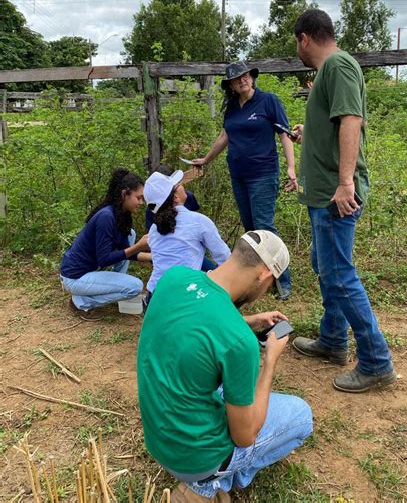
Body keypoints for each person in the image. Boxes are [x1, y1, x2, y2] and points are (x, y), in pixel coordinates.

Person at [137, 230, 313, 502]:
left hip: (159, 442)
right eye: (270, 285)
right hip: (196, 460)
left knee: (215, 385)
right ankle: (211, 483)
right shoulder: (240, 344)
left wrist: (249, 320)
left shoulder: (175, 278)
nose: (265, 292)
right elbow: (245, 436)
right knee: (301, 415)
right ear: (265, 275)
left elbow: (198, 321)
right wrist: (270, 362)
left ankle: (218, 480)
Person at [291, 9, 396, 393]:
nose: (297, 50)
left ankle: (376, 361)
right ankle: (333, 340)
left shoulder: (338, 65)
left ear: (304, 38)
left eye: (295, 43)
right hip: (324, 194)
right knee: (326, 265)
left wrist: (346, 182)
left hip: (337, 196)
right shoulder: (330, 71)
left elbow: (351, 119)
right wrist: (310, 130)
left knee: (339, 274)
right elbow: (335, 122)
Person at [192, 61, 295, 300]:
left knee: (264, 227)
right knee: (251, 229)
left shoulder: (269, 101)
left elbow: (284, 134)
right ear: (231, 85)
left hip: (263, 174)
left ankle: (283, 281)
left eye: (246, 75)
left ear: (252, 76)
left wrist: (291, 167)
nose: (243, 80)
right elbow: (225, 135)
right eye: (237, 79)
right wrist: (206, 159)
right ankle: (258, 280)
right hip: (239, 175)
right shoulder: (232, 108)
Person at [60, 168, 150, 321]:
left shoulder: (121, 215)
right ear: (124, 194)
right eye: (138, 197)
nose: (142, 202)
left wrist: (152, 256)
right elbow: (105, 259)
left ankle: (116, 286)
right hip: (74, 277)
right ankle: (81, 302)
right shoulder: (106, 217)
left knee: (131, 235)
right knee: (135, 287)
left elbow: (124, 250)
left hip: (88, 271)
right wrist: (139, 246)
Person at [143, 169, 231, 306]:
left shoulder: (154, 229)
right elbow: (224, 257)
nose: (181, 184)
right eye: (178, 184)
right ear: (176, 198)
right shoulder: (199, 221)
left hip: (154, 297)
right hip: (184, 297)